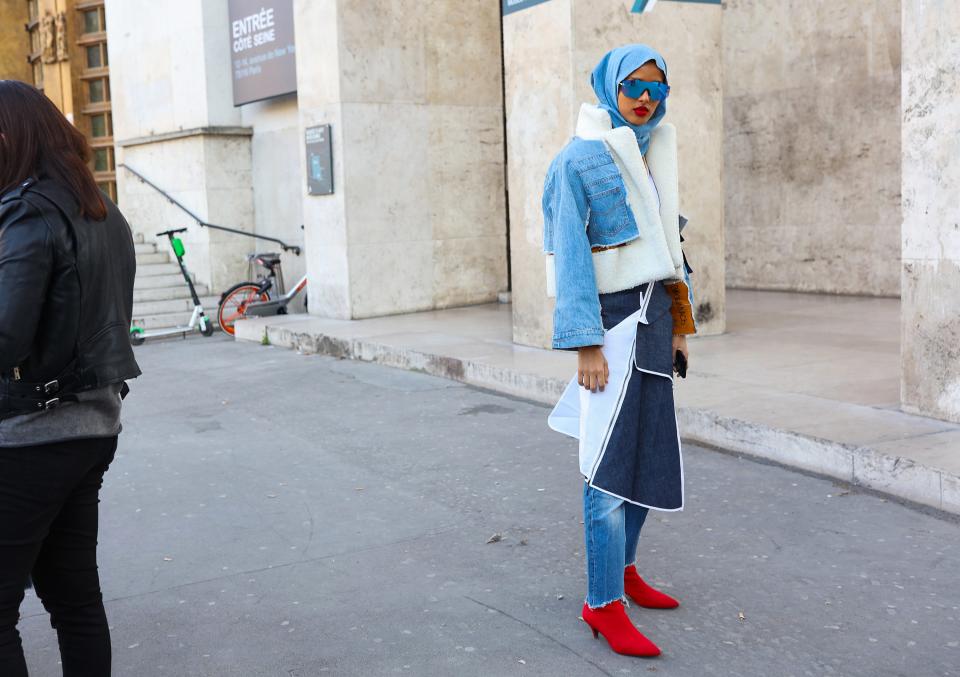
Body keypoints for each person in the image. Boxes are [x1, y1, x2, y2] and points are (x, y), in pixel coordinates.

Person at [541, 45, 698, 658]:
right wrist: (584, 344)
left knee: (648, 459)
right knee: (605, 471)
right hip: (608, 330)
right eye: (634, 85)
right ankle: (602, 602)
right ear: (610, 86)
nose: (645, 98)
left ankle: (626, 572)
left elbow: (672, 249)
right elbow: (569, 256)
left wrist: (682, 326)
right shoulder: (577, 160)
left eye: (656, 89)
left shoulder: (655, 152)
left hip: (656, 326)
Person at [0, 80, 141, 677]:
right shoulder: (105, 213)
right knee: (75, 601)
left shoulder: (26, 211)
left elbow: (7, 335)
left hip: (30, 434)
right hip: (93, 425)